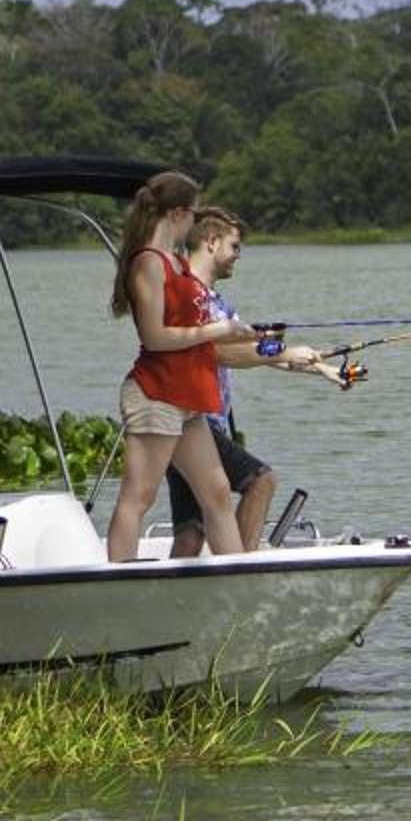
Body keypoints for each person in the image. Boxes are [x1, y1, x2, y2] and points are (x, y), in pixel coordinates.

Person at [105, 171, 260, 561]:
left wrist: (238, 333)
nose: (195, 222)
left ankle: (236, 577)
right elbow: (155, 337)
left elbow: (195, 326)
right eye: (193, 213)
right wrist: (218, 329)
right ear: (176, 213)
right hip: (156, 395)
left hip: (187, 398)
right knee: (138, 496)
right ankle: (120, 578)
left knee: (217, 493)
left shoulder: (176, 262)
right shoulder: (148, 263)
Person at [165, 208, 337, 555]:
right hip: (192, 421)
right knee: (260, 480)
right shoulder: (190, 295)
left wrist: (321, 368)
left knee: (191, 533)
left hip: (192, 424)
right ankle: (242, 573)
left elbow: (253, 350)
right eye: (235, 246)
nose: (238, 255)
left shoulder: (217, 303)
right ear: (211, 242)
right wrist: (285, 352)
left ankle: (165, 590)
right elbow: (218, 354)